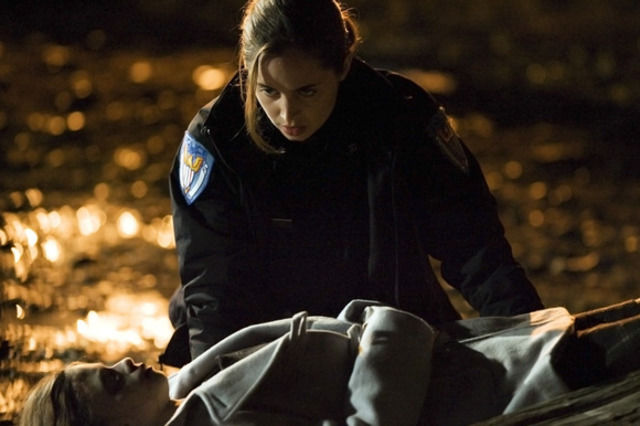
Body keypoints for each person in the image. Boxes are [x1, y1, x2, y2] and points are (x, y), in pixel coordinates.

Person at [163, 0, 544, 367]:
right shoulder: (217, 140)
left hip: (389, 325)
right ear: (248, 70)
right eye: (269, 91)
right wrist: (217, 380)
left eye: (307, 91)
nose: (287, 113)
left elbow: (475, 246)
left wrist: (535, 339)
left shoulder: (399, 116)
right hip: (266, 341)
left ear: (343, 64)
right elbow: (214, 290)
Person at [20, 299, 640, 426]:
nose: (128, 360)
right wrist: (386, 333)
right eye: (112, 381)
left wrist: (362, 322)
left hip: (503, 351)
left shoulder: (191, 385)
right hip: (510, 385)